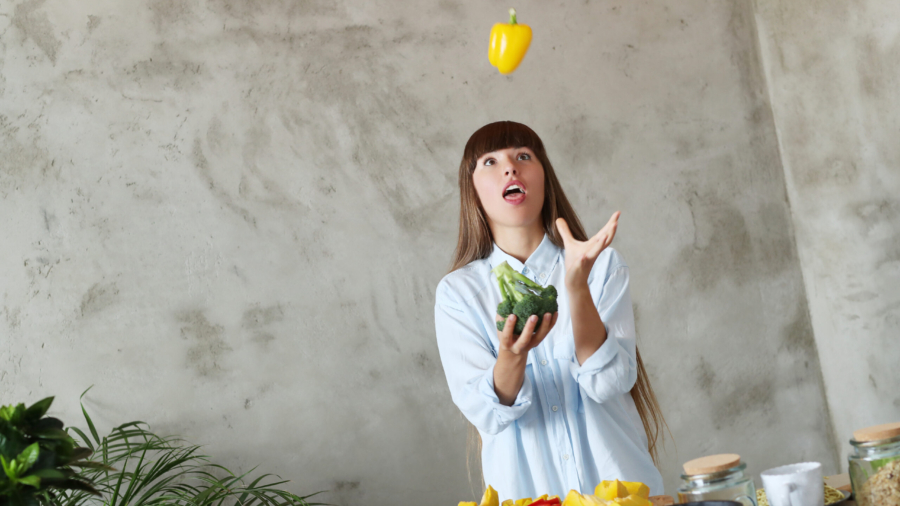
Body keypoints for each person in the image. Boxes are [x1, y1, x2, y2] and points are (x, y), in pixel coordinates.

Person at [434, 121, 668, 501]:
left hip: (622, 492)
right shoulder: (459, 293)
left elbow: (608, 382)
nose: (510, 167)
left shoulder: (601, 266)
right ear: (472, 190)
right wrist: (511, 354)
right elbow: (488, 413)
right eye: (490, 162)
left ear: (545, 177)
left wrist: (576, 285)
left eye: (523, 156)